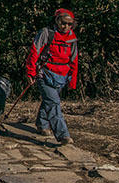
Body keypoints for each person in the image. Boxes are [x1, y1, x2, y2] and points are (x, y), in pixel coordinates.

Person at [26, 8, 79, 145]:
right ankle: (63, 135)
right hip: (44, 74)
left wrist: (72, 80)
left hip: (62, 76)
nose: (66, 26)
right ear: (56, 20)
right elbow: (34, 52)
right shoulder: (46, 33)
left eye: (69, 24)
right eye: (63, 23)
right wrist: (30, 72)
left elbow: (74, 60)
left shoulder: (72, 38)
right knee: (54, 103)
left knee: (49, 101)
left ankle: (42, 124)